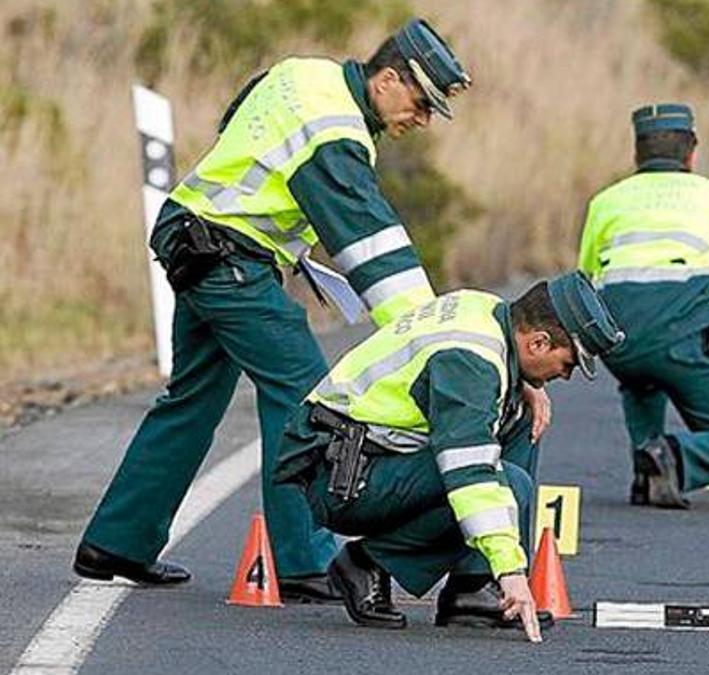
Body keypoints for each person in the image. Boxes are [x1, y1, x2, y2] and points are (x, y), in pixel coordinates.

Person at [74, 19, 552, 602]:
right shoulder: (335, 131)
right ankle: (304, 561)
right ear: (388, 79)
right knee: (304, 396)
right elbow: (376, 250)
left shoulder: (302, 73)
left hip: (193, 235)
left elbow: (235, 129)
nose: (422, 120)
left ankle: (116, 543)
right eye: (421, 104)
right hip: (229, 256)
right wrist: (449, 345)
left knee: (192, 400)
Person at [272, 271, 624, 642]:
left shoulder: (488, 310)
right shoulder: (469, 363)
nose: (565, 376)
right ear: (537, 342)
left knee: (522, 415)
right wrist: (512, 571)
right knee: (505, 483)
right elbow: (469, 471)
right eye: (568, 364)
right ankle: (368, 563)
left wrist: (524, 383)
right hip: (341, 480)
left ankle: (472, 588)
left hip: (365, 457)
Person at [577, 103, 709, 509]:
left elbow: (587, 279)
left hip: (621, 343)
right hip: (683, 343)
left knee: (640, 380)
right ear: (692, 154)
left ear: (637, 154)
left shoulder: (606, 201)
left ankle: (644, 474)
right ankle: (671, 457)